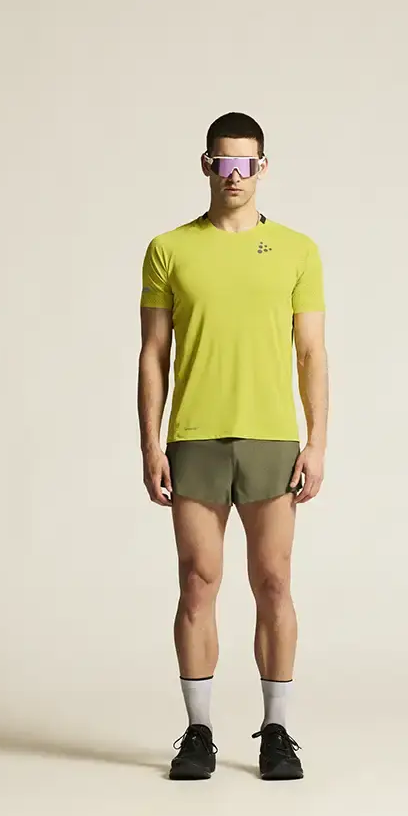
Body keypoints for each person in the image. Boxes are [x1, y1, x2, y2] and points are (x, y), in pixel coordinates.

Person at [137, 112, 329, 781]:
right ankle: (197, 733)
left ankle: (276, 732)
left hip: (272, 437)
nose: (235, 175)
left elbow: (311, 352)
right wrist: (150, 445)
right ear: (206, 166)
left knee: (273, 581)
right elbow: (153, 353)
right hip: (194, 437)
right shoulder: (168, 249)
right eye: (223, 162)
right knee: (198, 580)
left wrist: (317, 443)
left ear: (262, 168)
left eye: (246, 163)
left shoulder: (298, 250)